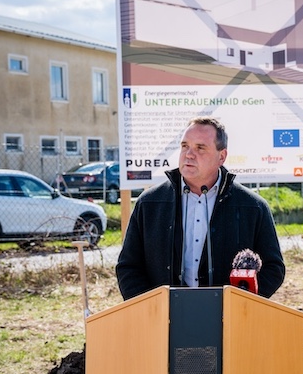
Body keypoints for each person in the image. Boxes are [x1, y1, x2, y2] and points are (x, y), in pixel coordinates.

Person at [116, 116, 285, 300]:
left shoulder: (253, 207)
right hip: (163, 321)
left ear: (222, 156)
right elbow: (129, 267)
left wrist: (241, 306)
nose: (189, 154)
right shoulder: (149, 204)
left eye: (200, 148)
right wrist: (150, 308)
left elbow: (273, 268)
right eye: (184, 146)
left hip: (229, 320)